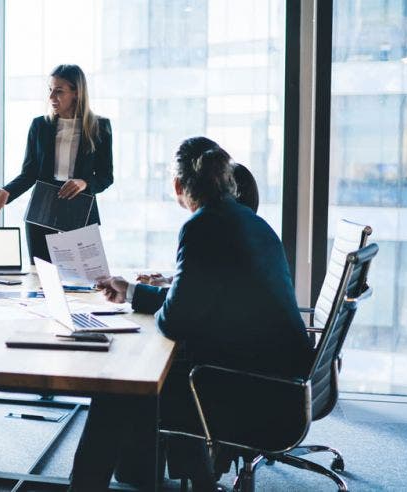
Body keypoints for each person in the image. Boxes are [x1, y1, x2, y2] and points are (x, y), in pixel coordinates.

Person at [69, 137, 313, 491]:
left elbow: (176, 319)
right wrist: (132, 292)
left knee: (117, 386)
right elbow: (197, 300)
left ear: (178, 186)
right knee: (149, 372)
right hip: (281, 379)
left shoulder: (202, 228)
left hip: (251, 392)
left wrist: (160, 302)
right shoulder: (247, 220)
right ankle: (190, 479)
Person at [0, 64, 113, 263]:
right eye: (50, 90)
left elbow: (105, 176)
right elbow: (29, 173)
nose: (51, 97)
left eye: (59, 91)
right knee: (42, 277)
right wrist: (6, 191)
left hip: (81, 207)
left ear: (76, 92)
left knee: (86, 276)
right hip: (42, 208)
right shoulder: (40, 126)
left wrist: (84, 183)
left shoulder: (100, 127)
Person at [135, 158, 261, 287]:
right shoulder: (253, 235)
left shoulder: (220, 240)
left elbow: (198, 298)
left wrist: (164, 287)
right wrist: (171, 282)